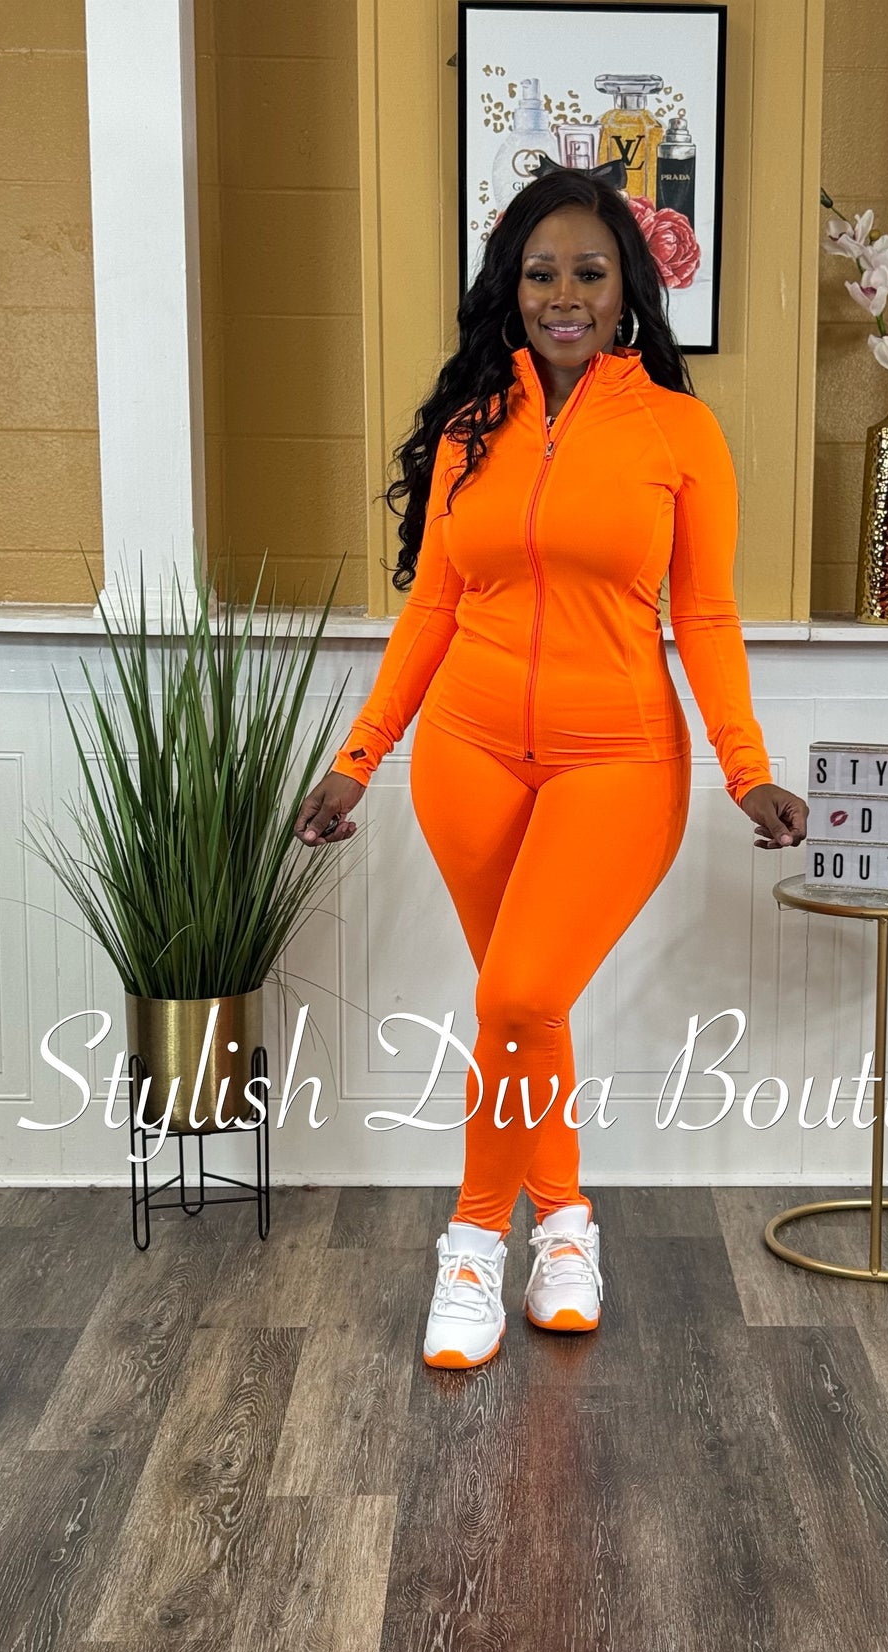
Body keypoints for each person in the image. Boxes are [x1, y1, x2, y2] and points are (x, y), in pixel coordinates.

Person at [294, 166, 809, 1370]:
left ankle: (476, 1243)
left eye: (589, 271)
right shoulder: (472, 428)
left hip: (617, 760)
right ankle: (566, 1227)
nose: (563, 294)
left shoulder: (679, 432)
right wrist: (359, 757)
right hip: (466, 754)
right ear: (509, 290)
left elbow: (708, 613)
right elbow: (432, 607)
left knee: (518, 994)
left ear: (628, 291)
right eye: (540, 274)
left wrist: (746, 768)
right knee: (522, 1007)